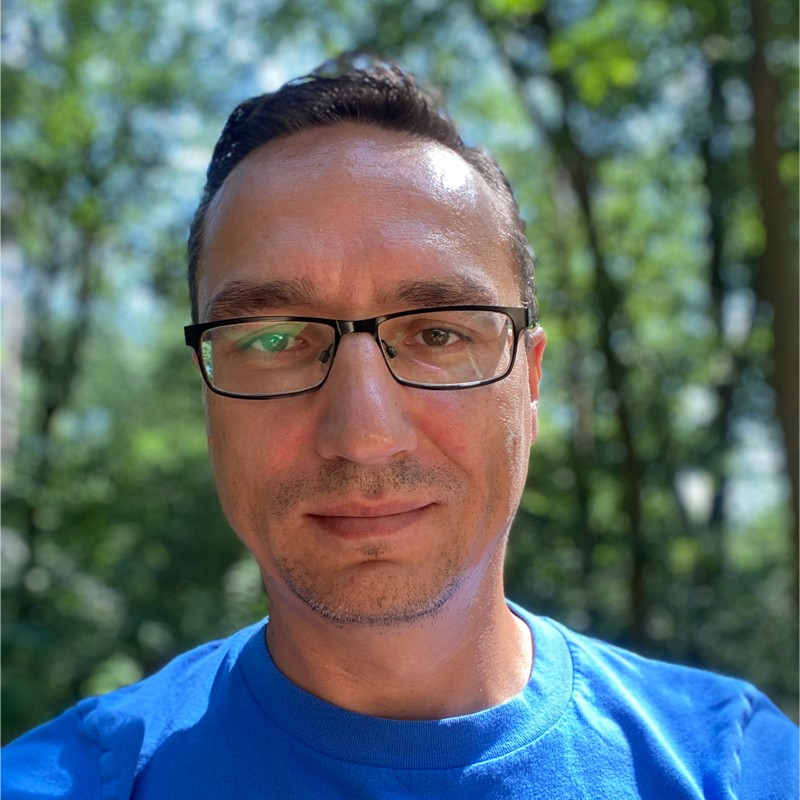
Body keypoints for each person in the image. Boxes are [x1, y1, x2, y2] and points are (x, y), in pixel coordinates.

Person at [2, 54, 796, 800]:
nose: (363, 436)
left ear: (529, 383)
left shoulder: (737, 767)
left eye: (439, 334)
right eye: (274, 341)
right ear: (209, 395)